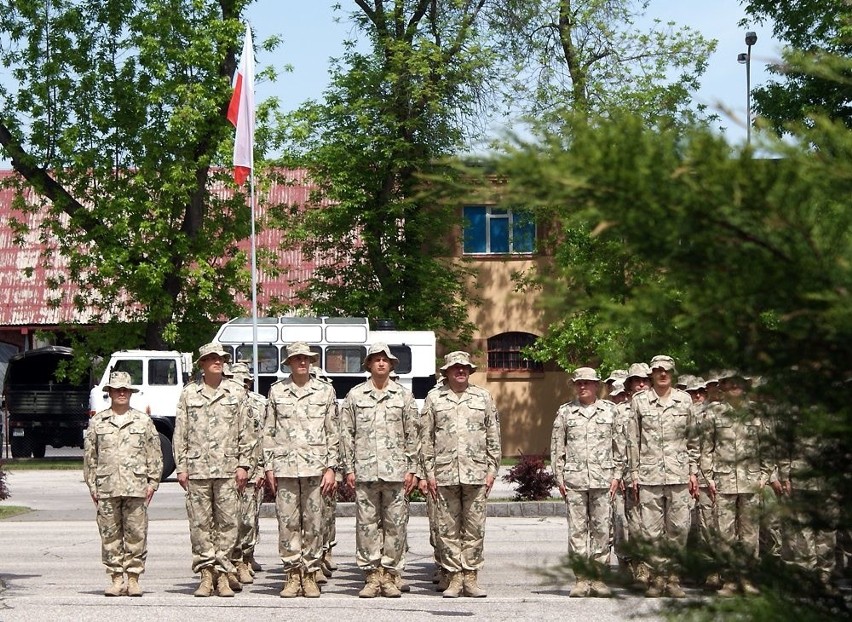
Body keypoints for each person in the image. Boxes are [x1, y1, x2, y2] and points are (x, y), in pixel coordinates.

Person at [173, 343, 256, 598]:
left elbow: (247, 432)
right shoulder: (189, 394)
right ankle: (206, 575)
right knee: (200, 526)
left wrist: (244, 465)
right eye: (211, 358)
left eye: (220, 358)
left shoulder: (236, 392)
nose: (217, 362)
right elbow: (181, 432)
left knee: (228, 525)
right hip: (198, 470)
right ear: (202, 364)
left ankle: (223, 575)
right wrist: (181, 467)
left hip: (228, 469)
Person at [340, 343, 420, 598]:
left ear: (392, 365)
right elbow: (346, 434)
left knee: (396, 526)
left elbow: (413, 435)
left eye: (385, 360)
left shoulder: (403, 396)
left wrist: (412, 469)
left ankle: (391, 575)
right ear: (369, 365)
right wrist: (348, 468)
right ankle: (372, 576)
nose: (381, 363)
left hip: (396, 472)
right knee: (367, 526)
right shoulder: (355, 395)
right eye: (376, 360)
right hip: (365, 472)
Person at [421, 351, 502, 598]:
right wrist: (429, 473)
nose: (460, 371)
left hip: (476, 474)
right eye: (455, 367)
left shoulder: (483, 397)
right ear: (446, 371)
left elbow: (493, 436)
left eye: (464, 367)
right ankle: (454, 578)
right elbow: (426, 439)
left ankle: (471, 578)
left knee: (475, 529)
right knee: (447, 530)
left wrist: (492, 471)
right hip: (444, 475)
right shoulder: (434, 398)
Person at [264, 342, 339, 598]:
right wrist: (269, 467)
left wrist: (331, 468)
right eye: (297, 359)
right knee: (287, 524)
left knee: (314, 524)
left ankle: (310, 575)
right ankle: (292, 575)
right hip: (285, 468)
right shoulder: (277, 392)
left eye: (306, 359)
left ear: (312, 362)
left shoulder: (325, 392)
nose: (302, 363)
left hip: (315, 468)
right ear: (289, 363)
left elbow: (333, 432)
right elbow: (269, 432)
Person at [84, 371, 162, 597]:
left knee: (136, 534)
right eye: (116, 389)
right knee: (109, 535)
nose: (121, 393)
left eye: (125, 390)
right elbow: (90, 457)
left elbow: (154, 454)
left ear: (130, 392)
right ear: (109, 393)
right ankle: (116, 578)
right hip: (107, 487)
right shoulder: (98, 421)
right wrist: (92, 486)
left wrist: (152, 483)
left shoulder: (143, 421)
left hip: (135, 487)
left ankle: (134, 578)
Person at [627, 355, 699, 598]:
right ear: (652, 374)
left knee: (679, 528)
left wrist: (693, 472)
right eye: (658, 370)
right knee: (651, 530)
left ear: (673, 373)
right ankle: (657, 578)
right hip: (649, 476)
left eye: (667, 370)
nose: (663, 374)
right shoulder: (640, 401)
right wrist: (634, 473)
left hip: (679, 475)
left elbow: (693, 440)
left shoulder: (684, 400)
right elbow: (633, 441)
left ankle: (673, 578)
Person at [550, 367, 623, 597]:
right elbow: (557, 447)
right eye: (579, 383)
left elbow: (619, 446)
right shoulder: (566, 413)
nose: (583, 386)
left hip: (603, 480)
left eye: (587, 383)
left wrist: (617, 475)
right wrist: (559, 477)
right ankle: (581, 579)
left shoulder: (610, 411)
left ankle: (599, 578)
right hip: (575, 481)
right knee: (577, 531)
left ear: (596, 386)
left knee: (602, 530)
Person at [699, 370, 772, 597]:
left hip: (751, 482)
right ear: (722, 386)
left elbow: (768, 447)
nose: (734, 387)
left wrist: (764, 476)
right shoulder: (714, 414)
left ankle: (748, 579)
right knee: (725, 533)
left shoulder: (757, 413)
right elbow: (706, 449)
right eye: (729, 383)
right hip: (723, 482)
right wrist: (709, 477)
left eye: (738, 383)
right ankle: (729, 580)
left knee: (750, 534)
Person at [228, 362, 267, 585]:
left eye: (244, 381)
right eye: (236, 380)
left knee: (249, 519)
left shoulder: (260, 404)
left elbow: (263, 439)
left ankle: (247, 556)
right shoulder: (227, 401)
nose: (240, 385)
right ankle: (235, 561)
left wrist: (261, 468)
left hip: (252, 472)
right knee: (231, 520)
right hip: (229, 470)